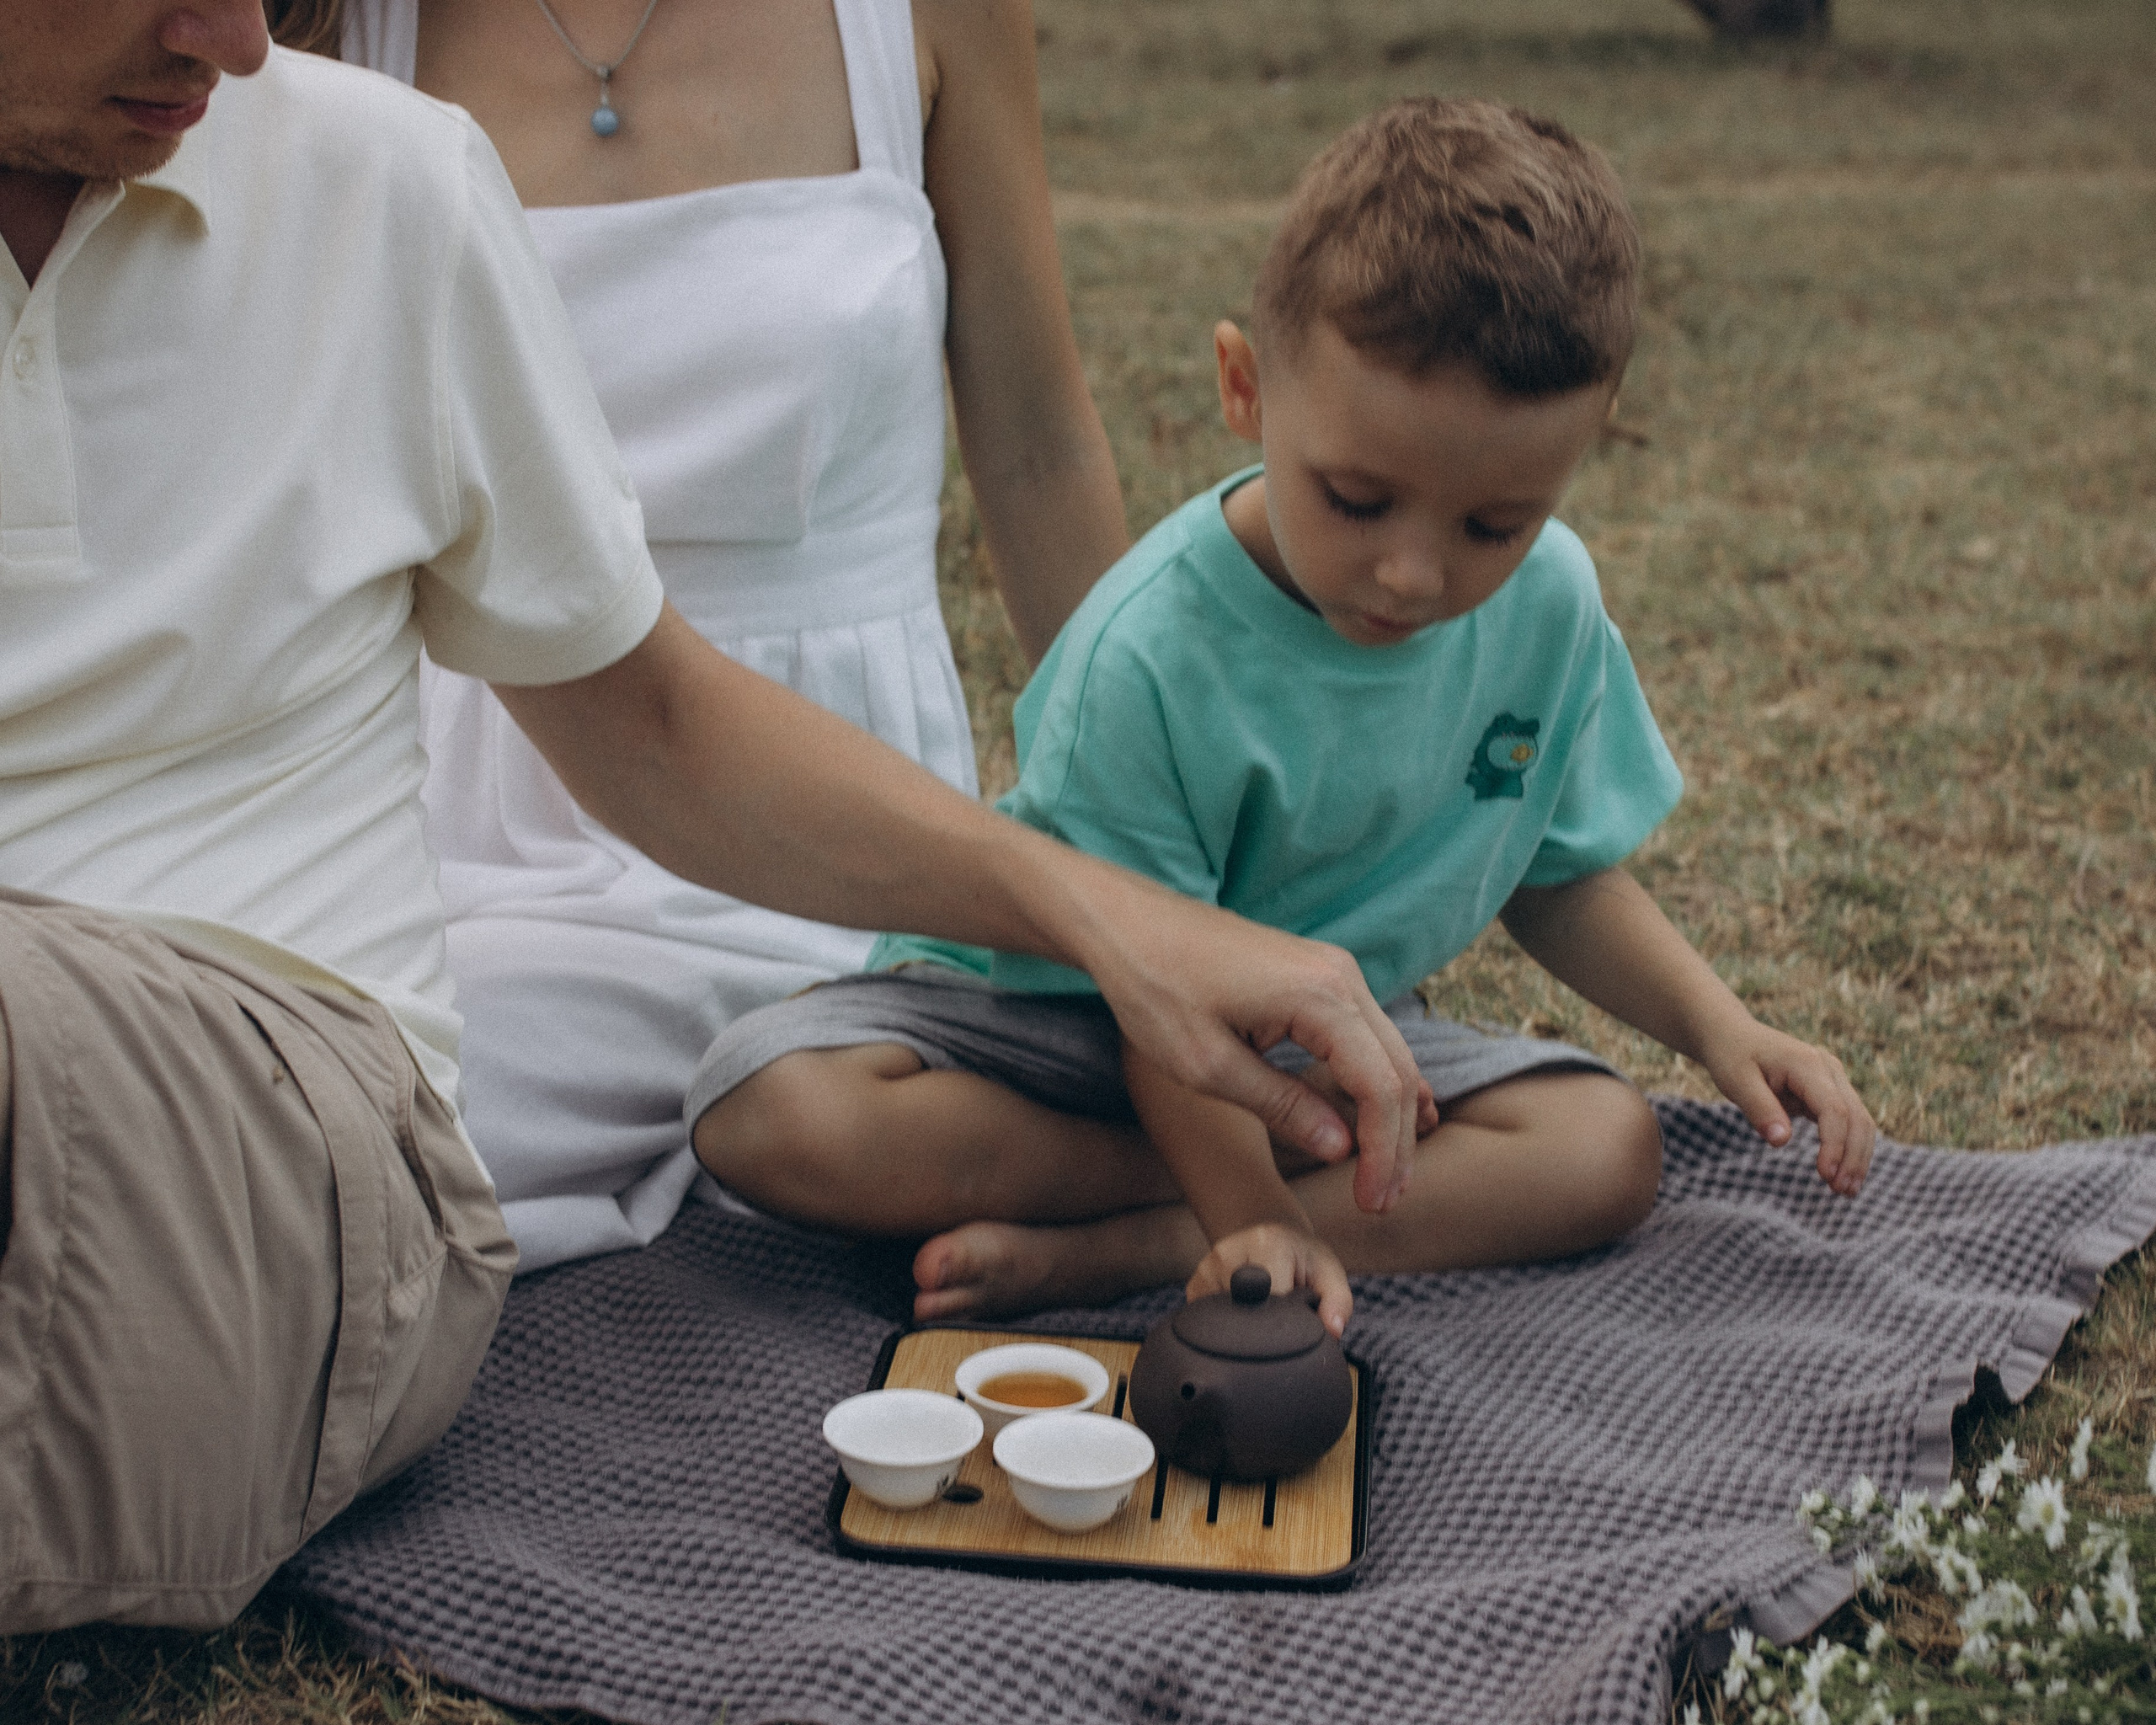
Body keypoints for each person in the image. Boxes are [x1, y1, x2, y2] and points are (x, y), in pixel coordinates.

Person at [0, 0, 1422, 1632]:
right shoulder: (353, 41)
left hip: (555, 932)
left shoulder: (370, 176)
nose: (241, 38)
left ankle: (1129, 1183)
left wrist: (1138, 892)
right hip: (448, 835)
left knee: (782, 1103)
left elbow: (696, 696)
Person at [688, 98, 1879, 1334]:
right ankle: (1226, 1206)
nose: (1413, 576)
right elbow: (1155, 998)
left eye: (1495, 525)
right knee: (774, 1112)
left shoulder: (1553, 607)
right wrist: (1248, 1208)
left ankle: (1118, 1251)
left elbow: (1559, 877)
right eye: (1359, 500)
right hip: (1061, 1041)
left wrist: (1722, 1028)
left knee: (1605, 1146)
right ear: (1246, 389)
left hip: (1324, 1059)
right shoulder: (1149, 650)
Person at [314, 0, 1129, 1273]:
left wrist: (1164, 861)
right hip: (467, 835)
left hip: (847, 840)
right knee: (325, 1155)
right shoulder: (309, 30)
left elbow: (1037, 448)